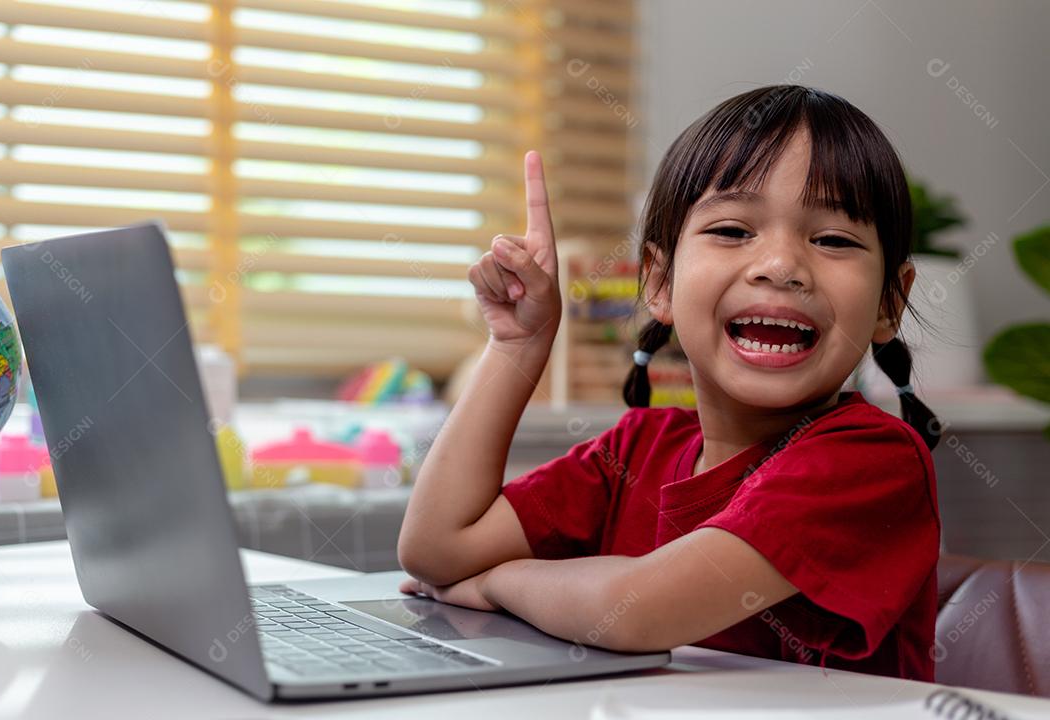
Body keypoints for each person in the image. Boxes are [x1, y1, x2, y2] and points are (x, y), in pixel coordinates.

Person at [396, 85, 941, 681]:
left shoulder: (872, 459)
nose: (782, 266)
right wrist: (518, 345)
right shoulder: (634, 451)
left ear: (890, 302)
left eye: (833, 239)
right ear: (659, 282)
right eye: (733, 230)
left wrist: (497, 582)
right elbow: (435, 549)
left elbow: (634, 612)